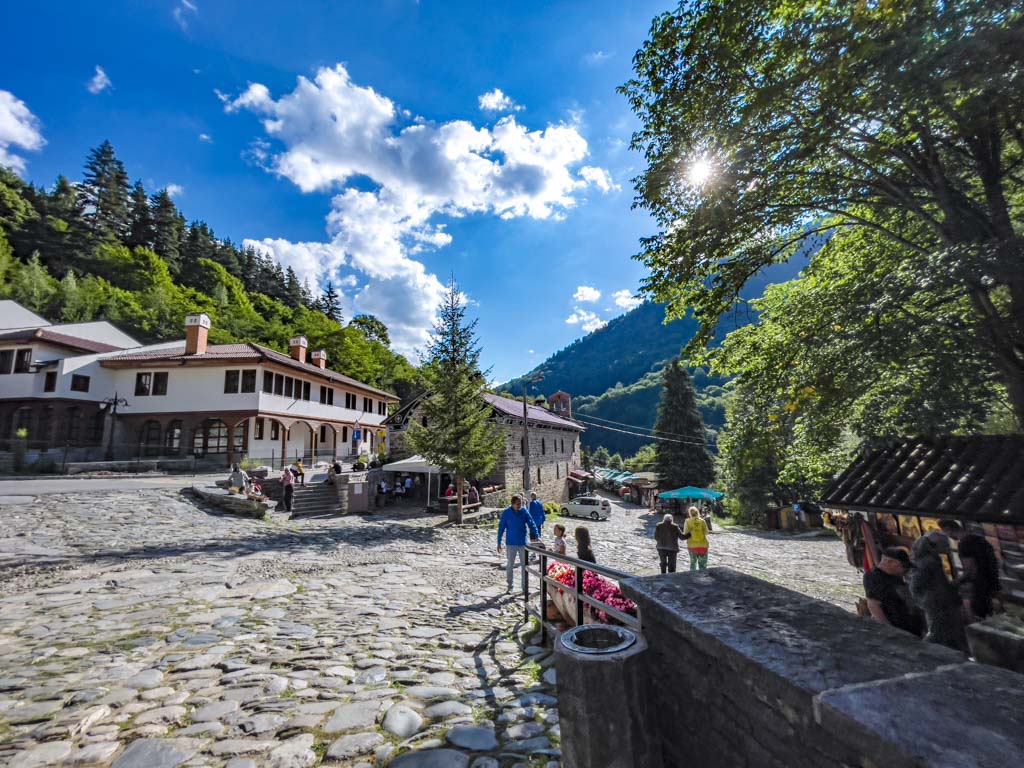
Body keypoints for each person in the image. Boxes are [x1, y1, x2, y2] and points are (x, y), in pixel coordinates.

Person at [909, 535, 967, 652]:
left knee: (944, 632)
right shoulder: (928, 562)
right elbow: (915, 586)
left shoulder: (928, 560)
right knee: (940, 633)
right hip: (937, 604)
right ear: (934, 546)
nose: (946, 547)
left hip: (937, 602)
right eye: (944, 545)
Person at [939, 518, 1001, 620]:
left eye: (944, 532)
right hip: (992, 584)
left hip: (980, 588)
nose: (946, 535)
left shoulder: (964, 544)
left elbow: (971, 571)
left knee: (982, 620)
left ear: (948, 528)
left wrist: (955, 583)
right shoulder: (980, 539)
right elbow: (994, 561)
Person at [863, 548, 922, 637]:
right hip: (897, 629)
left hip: (911, 627)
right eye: (902, 566)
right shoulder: (874, 578)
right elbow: (874, 605)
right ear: (889, 562)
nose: (904, 570)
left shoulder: (894, 575)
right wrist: (889, 630)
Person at [496, 495, 540, 593]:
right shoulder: (507, 513)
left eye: (520, 504)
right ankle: (510, 585)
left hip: (523, 542)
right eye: (517, 504)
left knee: (525, 565)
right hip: (511, 543)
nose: (519, 506)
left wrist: (536, 534)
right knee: (510, 565)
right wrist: (498, 542)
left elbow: (531, 523)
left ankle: (524, 587)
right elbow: (501, 528)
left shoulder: (524, 511)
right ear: (512, 504)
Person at [681, 506, 710, 571]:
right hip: (703, 545)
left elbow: (685, 533)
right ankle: (703, 578)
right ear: (697, 512)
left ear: (690, 513)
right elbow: (707, 532)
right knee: (703, 565)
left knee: (693, 564)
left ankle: (693, 578)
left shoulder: (687, 521)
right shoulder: (702, 521)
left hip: (692, 546)